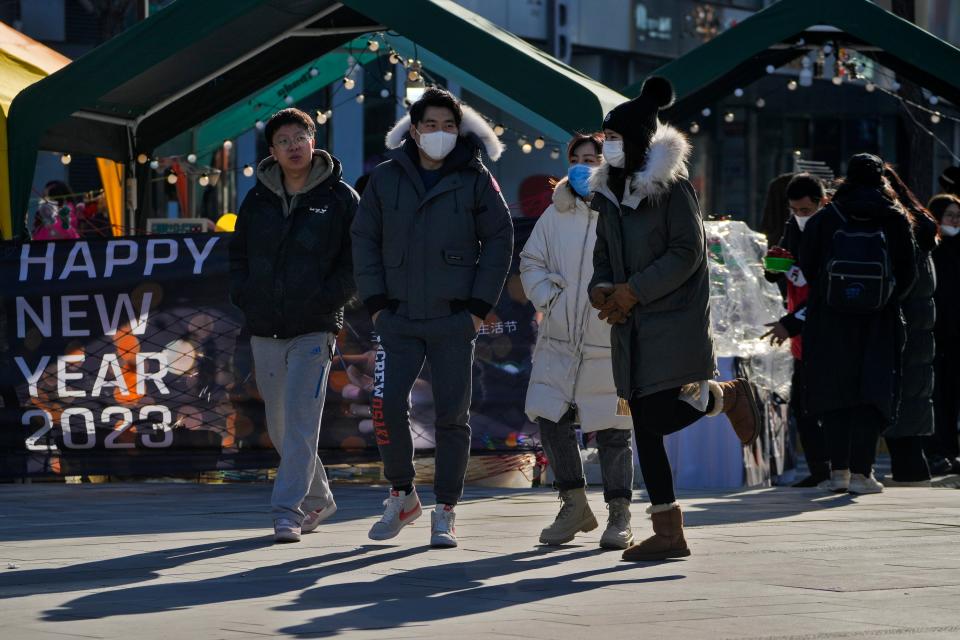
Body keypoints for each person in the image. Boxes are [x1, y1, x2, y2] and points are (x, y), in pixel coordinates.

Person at [587, 76, 761, 562]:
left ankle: (725, 398)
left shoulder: (673, 189)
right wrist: (601, 288)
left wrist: (632, 290)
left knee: (655, 418)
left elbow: (688, 252)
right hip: (630, 323)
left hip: (672, 318)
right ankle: (668, 530)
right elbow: (603, 254)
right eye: (607, 139)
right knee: (644, 424)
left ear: (640, 139)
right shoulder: (608, 195)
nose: (609, 147)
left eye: (616, 138)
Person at [352, 87, 513, 548]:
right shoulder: (384, 178)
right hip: (397, 316)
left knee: (452, 417)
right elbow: (363, 238)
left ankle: (445, 509)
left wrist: (478, 309)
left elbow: (499, 240)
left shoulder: (477, 178)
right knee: (385, 405)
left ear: (458, 130)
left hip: (453, 318)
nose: (439, 134)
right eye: (429, 125)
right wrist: (377, 302)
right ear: (414, 129)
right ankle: (402, 494)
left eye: (448, 126)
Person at [229, 108, 358, 543]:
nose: (293, 146)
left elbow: (354, 262)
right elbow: (238, 256)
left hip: (315, 327)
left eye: (299, 137)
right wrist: (245, 295)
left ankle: (286, 510)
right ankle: (320, 497)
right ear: (273, 152)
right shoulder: (257, 199)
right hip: (265, 326)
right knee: (282, 427)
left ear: (313, 139)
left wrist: (328, 300)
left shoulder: (341, 198)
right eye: (283, 141)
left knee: (303, 421)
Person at [519, 132, 635, 550]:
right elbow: (531, 260)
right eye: (579, 157)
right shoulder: (556, 213)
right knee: (550, 417)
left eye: (595, 157)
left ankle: (619, 513)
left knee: (613, 426)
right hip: (560, 336)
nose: (586, 164)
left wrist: (626, 301)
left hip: (610, 332)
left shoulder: (626, 209)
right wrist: (550, 295)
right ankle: (572, 503)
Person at [799, 153, 918, 495]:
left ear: (846, 178)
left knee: (836, 391)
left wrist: (829, 293)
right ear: (882, 178)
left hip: (831, 318)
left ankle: (838, 472)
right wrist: (886, 298)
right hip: (878, 321)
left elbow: (808, 264)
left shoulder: (827, 216)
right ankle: (864, 474)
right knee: (872, 390)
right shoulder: (894, 217)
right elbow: (908, 271)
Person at [762, 173, 831, 487]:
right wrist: (774, 268)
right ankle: (819, 468)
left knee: (822, 402)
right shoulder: (792, 227)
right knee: (803, 404)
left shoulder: (832, 229)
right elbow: (779, 269)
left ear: (821, 202)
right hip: (799, 326)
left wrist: (790, 323)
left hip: (823, 328)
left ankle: (834, 467)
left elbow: (824, 291)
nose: (800, 216)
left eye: (805, 210)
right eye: (795, 210)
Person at [882, 165, 938, 486]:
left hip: (901, 325)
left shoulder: (897, 226)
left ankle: (911, 472)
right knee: (914, 397)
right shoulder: (922, 226)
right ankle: (913, 471)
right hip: (921, 329)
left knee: (901, 397)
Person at [927, 193, 960, 475]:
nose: (954, 221)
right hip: (935, 334)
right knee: (937, 395)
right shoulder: (930, 249)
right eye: (949, 215)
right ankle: (938, 450)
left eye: (957, 216)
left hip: (955, 336)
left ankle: (951, 450)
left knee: (951, 397)